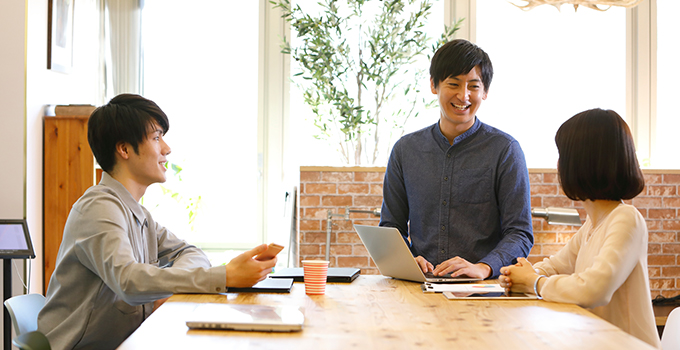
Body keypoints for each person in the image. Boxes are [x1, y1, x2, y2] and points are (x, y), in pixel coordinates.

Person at [38, 94, 278, 350]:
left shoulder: (139, 215)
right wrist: (224, 275)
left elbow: (191, 253)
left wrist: (164, 287)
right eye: (156, 138)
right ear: (124, 149)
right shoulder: (98, 208)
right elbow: (128, 281)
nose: (166, 148)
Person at [499, 108, 660, 348]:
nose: (558, 165)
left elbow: (594, 290)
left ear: (583, 161)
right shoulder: (592, 224)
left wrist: (533, 282)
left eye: (562, 155)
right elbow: (556, 265)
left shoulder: (626, 219)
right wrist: (520, 274)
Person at [379, 39, 533, 280]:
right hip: (419, 287)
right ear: (434, 85)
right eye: (453, 84)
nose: (464, 96)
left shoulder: (505, 150)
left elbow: (520, 233)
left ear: (485, 91)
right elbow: (391, 226)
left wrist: (483, 267)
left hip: (482, 292)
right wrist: (407, 259)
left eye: (473, 86)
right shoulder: (405, 150)